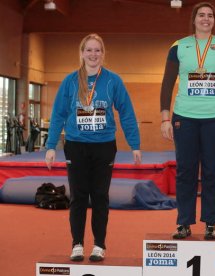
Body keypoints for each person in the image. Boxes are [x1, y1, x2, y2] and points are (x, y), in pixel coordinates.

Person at [44, 33, 141, 262]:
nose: (93, 54)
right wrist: (50, 146)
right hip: (76, 146)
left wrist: (134, 144)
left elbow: (126, 112)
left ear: (103, 54)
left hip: (104, 146)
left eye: (97, 50)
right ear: (81, 53)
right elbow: (58, 114)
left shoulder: (113, 81)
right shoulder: (70, 81)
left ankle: (99, 244)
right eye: (89, 50)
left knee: (99, 196)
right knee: (78, 196)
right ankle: (77, 243)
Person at [160, 2, 215, 240]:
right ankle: (183, 222)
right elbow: (167, 84)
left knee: (212, 171)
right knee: (185, 171)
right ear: (193, 19)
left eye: (210, 15)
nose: (206, 19)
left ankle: (211, 223)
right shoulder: (179, 46)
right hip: (184, 117)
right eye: (201, 15)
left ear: (214, 20)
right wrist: (166, 118)